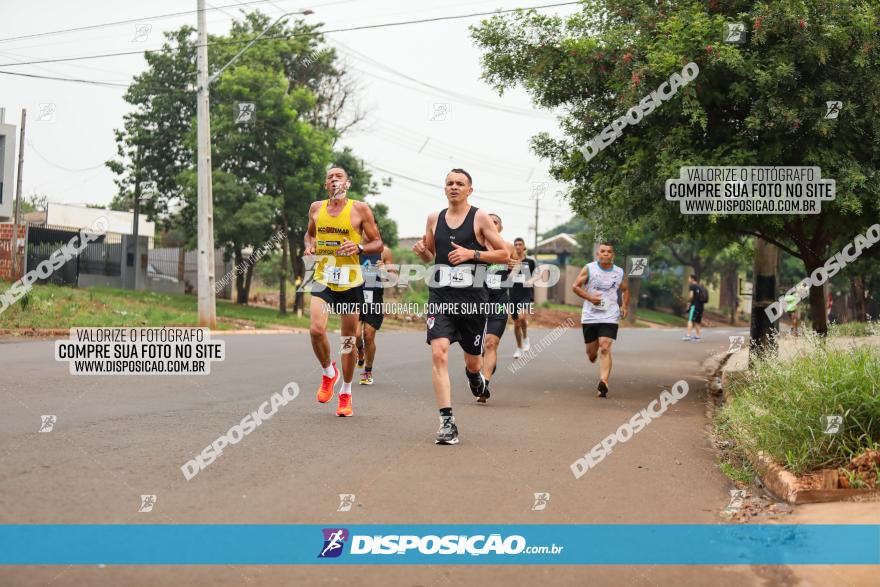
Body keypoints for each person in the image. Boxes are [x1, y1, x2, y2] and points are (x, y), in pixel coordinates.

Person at [412, 168, 510, 444]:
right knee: (439, 354)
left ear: (470, 189)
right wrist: (422, 253)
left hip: (472, 301)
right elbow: (430, 255)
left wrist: (473, 254)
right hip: (441, 296)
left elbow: (504, 254)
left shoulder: (479, 217)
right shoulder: (434, 218)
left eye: (460, 184)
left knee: (472, 358)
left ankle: (473, 375)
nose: (454, 187)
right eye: (449, 183)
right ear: (444, 188)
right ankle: (447, 421)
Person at [304, 166, 383, 417]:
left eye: (339, 177)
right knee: (316, 330)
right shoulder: (316, 208)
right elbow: (308, 235)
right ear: (326, 185)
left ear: (347, 184)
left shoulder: (360, 209)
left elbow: (377, 242)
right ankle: (329, 372)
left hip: (350, 282)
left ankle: (346, 392)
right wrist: (310, 246)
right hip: (323, 277)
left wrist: (359, 248)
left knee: (348, 342)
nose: (334, 180)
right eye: (330, 177)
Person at [572, 242, 629, 398]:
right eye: (602, 251)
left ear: (613, 255)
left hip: (610, 315)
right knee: (592, 354)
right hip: (590, 315)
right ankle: (593, 353)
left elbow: (625, 290)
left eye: (609, 252)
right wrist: (590, 298)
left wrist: (624, 305)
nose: (605, 254)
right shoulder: (589, 269)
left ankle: (603, 382)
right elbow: (575, 286)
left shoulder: (619, 272)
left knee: (605, 346)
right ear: (598, 254)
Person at [480, 214, 515, 403]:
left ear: (500, 228)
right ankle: (478, 371)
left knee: (491, 343)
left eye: (496, 222)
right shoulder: (474, 247)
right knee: (475, 347)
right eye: (489, 221)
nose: (492, 224)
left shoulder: (507, 247)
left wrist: (512, 269)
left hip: (499, 300)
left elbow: (517, 268)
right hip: (475, 300)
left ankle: (484, 383)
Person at [356, 245, 395, 385]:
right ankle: (360, 350)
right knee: (355, 335)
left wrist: (384, 270)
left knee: (368, 335)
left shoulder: (384, 251)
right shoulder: (353, 247)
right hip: (355, 296)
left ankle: (367, 371)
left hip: (374, 297)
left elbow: (393, 277)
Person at [510, 237, 537, 359]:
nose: (518, 246)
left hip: (525, 295)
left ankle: (525, 336)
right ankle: (519, 348)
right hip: (513, 295)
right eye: (515, 244)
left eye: (520, 244)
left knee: (522, 317)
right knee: (516, 324)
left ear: (524, 246)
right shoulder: (510, 262)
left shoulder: (530, 262)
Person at [684, 275, 705, 341]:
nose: (688, 280)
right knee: (697, 321)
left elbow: (691, 296)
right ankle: (697, 336)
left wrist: (688, 302)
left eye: (689, 278)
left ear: (692, 279)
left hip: (694, 306)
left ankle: (688, 335)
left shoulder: (692, 286)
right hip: (701, 306)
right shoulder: (700, 287)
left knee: (690, 320)